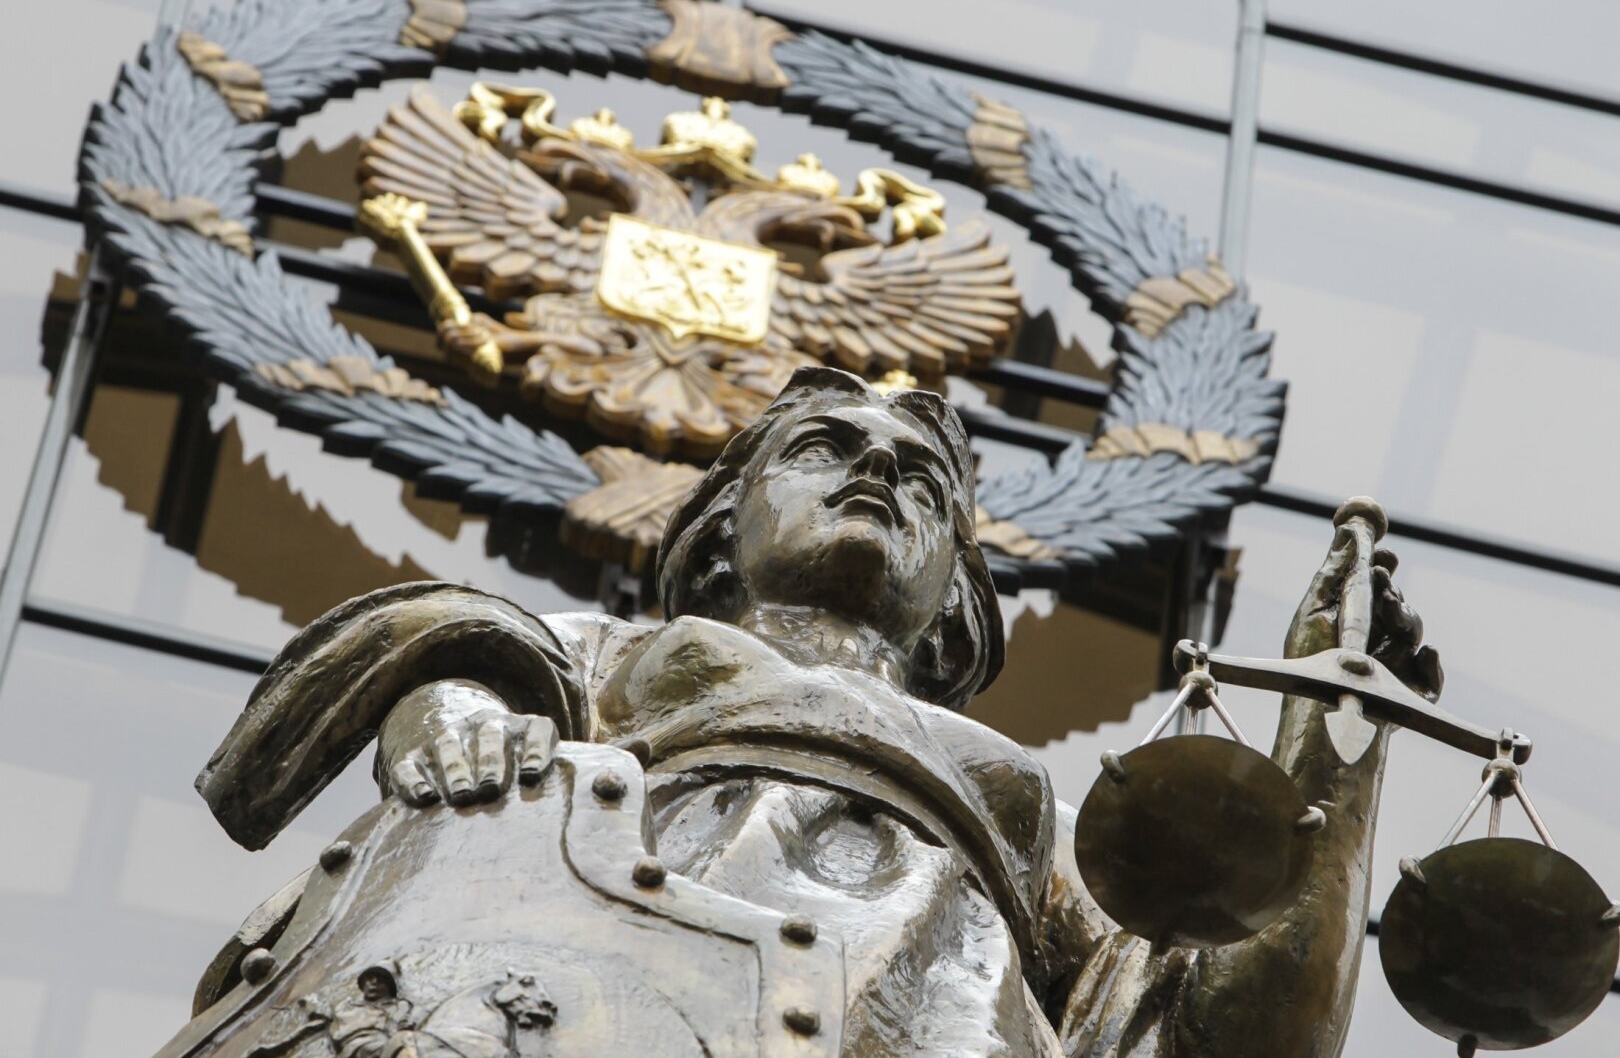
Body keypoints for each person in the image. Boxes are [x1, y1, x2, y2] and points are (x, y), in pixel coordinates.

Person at [196, 366, 1440, 1056]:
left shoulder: (1046, 826)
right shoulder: (614, 659)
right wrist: (453, 714)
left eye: (923, 486)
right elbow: (465, 654)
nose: (878, 472)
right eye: (821, 449)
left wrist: (1335, 733)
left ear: (955, 606)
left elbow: (1232, 1040)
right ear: (718, 536)